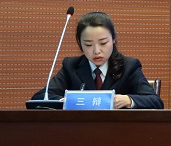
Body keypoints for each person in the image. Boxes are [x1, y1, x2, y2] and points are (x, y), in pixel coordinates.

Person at [31, 11, 164, 109]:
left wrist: (128, 100)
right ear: (80, 44)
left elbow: (155, 101)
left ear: (113, 39)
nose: (96, 51)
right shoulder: (71, 66)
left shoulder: (129, 66)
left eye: (103, 43)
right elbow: (39, 98)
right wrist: (67, 101)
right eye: (88, 44)